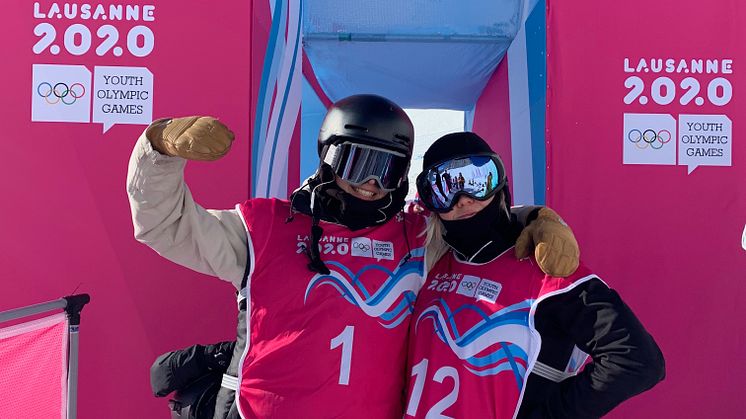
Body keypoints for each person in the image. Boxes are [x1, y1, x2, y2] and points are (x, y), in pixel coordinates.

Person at [127, 95, 581, 419]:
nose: (371, 184)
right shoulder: (265, 228)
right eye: (357, 164)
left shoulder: (418, 234)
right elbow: (167, 226)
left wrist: (534, 218)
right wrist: (159, 151)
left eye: (387, 170)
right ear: (327, 160)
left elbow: (475, 217)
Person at [405, 132, 665, 419]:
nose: (463, 200)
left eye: (477, 182)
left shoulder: (545, 271)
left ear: (500, 184)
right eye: (445, 189)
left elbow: (637, 360)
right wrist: (531, 214)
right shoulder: (431, 261)